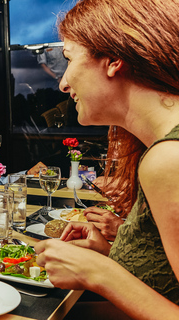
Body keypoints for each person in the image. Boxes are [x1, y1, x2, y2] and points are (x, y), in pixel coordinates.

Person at [34, 1, 179, 319]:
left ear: (114, 59)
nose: (62, 83)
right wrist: (113, 252)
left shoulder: (169, 160)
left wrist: (99, 273)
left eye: (69, 59)